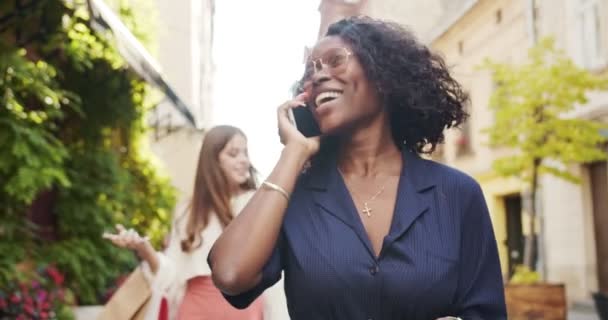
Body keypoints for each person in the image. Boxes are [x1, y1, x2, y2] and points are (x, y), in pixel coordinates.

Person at [208, 16, 507, 320]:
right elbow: (230, 274)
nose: (318, 76)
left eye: (335, 60)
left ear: (383, 75)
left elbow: (487, 312)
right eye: (310, 72)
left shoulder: (456, 194)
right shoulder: (294, 197)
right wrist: (294, 152)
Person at [103, 125, 264, 320]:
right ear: (213, 161)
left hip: (246, 309)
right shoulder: (188, 212)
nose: (244, 160)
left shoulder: (257, 204)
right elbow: (172, 273)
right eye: (233, 154)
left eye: (245, 152)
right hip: (196, 309)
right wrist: (143, 248)